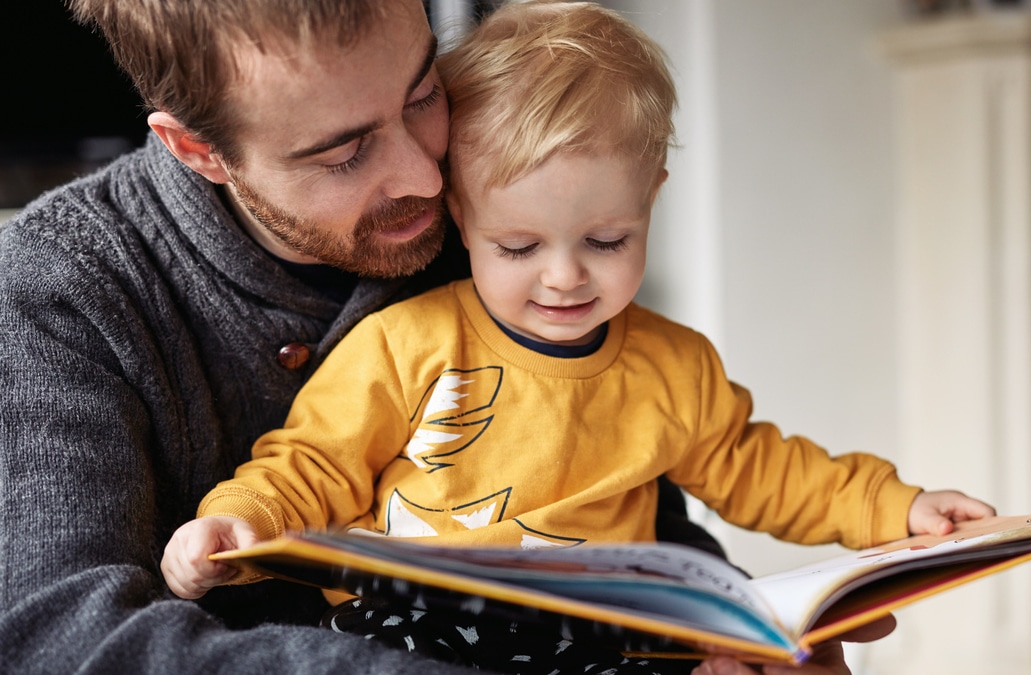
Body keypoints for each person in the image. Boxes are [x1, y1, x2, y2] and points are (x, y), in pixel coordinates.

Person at [159, 2, 996, 673]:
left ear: (652, 200)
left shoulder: (676, 366)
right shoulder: (406, 341)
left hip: (605, 627)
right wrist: (242, 521)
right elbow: (314, 462)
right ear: (461, 215)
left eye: (607, 241)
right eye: (518, 248)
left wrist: (900, 508)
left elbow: (762, 467)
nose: (565, 277)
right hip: (420, 622)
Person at [0, 0, 732, 674]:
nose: (424, 175)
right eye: (344, 153)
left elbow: (636, 500)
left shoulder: (506, 224)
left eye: (423, 94)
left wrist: (727, 639)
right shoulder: (57, 289)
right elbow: (63, 637)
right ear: (197, 149)